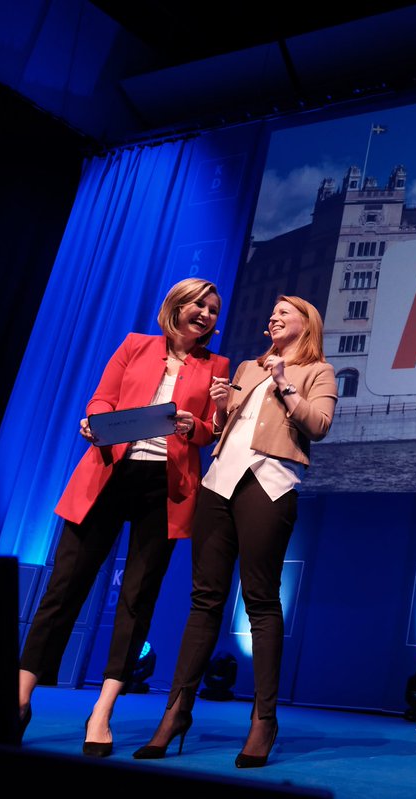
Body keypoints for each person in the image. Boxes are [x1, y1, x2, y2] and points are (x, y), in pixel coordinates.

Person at [19, 278, 229, 756]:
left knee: (137, 598)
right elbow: (102, 399)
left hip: (165, 488)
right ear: (176, 305)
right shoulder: (136, 345)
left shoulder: (217, 365)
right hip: (109, 474)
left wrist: (194, 424)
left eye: (214, 310)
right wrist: (94, 421)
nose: (206, 314)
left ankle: (103, 711)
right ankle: (21, 696)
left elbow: (211, 432)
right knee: (63, 588)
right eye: (199, 304)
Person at [135, 295, 336, 768]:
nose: (273, 317)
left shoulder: (319, 370)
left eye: (284, 313)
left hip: (270, 483)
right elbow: (226, 427)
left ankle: (263, 719)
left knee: (261, 601)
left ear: (306, 323)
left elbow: (319, 426)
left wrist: (284, 383)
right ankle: (176, 711)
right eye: (272, 313)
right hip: (219, 482)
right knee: (204, 599)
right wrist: (223, 408)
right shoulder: (247, 366)